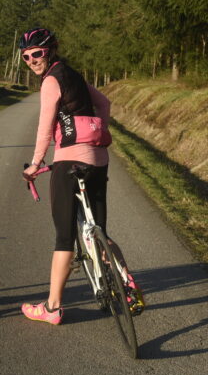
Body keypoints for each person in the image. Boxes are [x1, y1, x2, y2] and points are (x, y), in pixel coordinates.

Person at [18, 27, 144, 325]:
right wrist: (96, 129)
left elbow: (45, 127)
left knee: (64, 237)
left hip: (70, 160)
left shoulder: (51, 81)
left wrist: (35, 164)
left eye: (37, 53)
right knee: (99, 228)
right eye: (25, 57)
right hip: (98, 159)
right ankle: (127, 285)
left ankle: (52, 308)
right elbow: (104, 104)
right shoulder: (72, 74)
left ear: (50, 50)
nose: (32, 60)